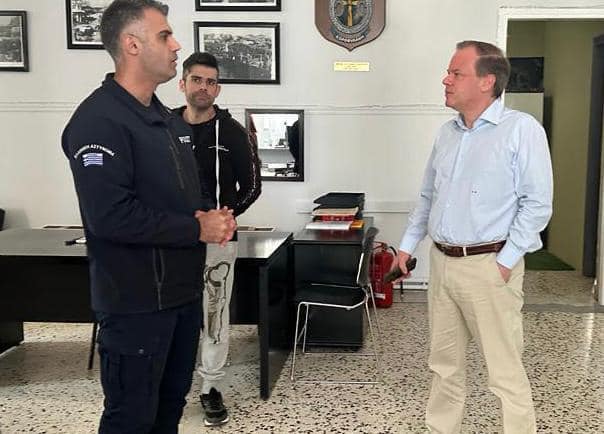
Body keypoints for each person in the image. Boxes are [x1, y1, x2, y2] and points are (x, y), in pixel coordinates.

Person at [61, 1, 236, 432]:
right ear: (132, 44)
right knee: (131, 418)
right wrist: (197, 227)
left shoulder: (164, 119)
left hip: (180, 297)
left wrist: (208, 215)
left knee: (168, 409)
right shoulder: (99, 121)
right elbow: (109, 217)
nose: (176, 45)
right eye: (165, 36)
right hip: (136, 305)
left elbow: (179, 196)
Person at [395, 41, 553, 433]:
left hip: (489, 267)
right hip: (443, 265)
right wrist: (406, 247)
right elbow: (428, 197)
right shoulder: (447, 134)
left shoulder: (521, 130)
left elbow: (537, 204)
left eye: (456, 73)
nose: (445, 80)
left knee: (505, 371)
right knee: (443, 365)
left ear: (487, 81)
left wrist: (505, 262)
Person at [175, 51, 261, 427]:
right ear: (183, 83)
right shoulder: (164, 126)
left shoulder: (232, 132)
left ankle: (211, 387)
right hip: (172, 238)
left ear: (218, 89)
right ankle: (171, 383)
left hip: (219, 242)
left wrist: (226, 216)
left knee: (214, 314)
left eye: (211, 82)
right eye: (197, 80)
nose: (204, 87)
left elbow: (253, 185)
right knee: (173, 312)